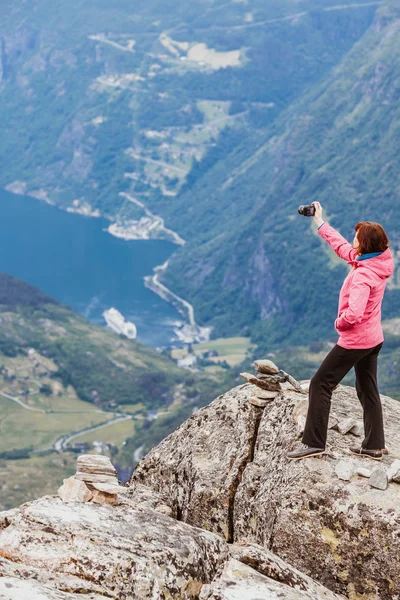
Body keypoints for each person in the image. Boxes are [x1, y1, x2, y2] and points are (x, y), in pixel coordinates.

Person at [287, 201, 394, 461]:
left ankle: (314, 442)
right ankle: (374, 446)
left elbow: (354, 314)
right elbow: (343, 248)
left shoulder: (362, 277)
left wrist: (339, 323)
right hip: (374, 339)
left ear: (364, 245)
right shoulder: (377, 263)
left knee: (320, 383)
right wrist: (320, 222)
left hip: (356, 340)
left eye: (356, 238)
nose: (353, 241)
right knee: (368, 389)